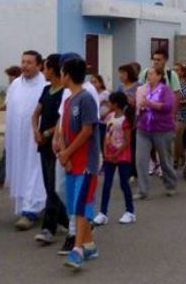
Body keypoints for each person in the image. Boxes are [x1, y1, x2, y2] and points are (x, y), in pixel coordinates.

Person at [56, 58, 100, 270]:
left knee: (82, 205)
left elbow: (87, 131)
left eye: (62, 72)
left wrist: (68, 152)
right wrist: (64, 154)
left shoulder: (86, 99)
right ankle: (90, 245)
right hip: (71, 161)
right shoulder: (67, 101)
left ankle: (78, 250)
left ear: (67, 74)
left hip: (86, 163)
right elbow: (64, 130)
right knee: (75, 206)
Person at [5, 51, 48, 231]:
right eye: (23, 62)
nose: (25, 65)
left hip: (35, 138)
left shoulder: (45, 85)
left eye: (29, 62)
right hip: (17, 138)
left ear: (39, 65)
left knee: (35, 170)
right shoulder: (15, 84)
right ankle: (26, 206)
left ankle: (30, 210)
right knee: (21, 170)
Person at [32, 54, 68, 245]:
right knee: (49, 186)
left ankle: (48, 228)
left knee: (54, 186)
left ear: (53, 69)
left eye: (45, 67)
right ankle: (70, 221)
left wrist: (47, 133)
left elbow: (63, 121)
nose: (42, 71)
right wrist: (36, 130)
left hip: (57, 143)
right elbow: (36, 113)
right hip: (43, 144)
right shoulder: (46, 90)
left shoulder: (65, 93)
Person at [134, 67, 178, 200]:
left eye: (152, 74)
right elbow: (138, 104)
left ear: (159, 76)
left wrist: (150, 104)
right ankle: (143, 190)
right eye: (148, 74)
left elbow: (167, 107)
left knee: (164, 159)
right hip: (144, 128)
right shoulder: (143, 89)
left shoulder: (165, 90)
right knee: (141, 160)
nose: (149, 76)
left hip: (162, 129)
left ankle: (170, 184)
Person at [93, 91, 136, 226]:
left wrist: (117, 153)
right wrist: (105, 152)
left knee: (124, 183)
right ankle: (103, 213)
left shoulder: (125, 120)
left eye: (110, 102)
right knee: (106, 184)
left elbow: (128, 140)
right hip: (110, 154)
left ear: (116, 104)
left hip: (122, 154)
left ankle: (130, 211)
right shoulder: (110, 117)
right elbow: (106, 135)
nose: (108, 105)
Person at [0, 65, 21, 188]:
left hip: (15, 126)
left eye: (11, 76)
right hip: (11, 125)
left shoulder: (15, 88)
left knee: (8, 153)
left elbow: (8, 105)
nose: (9, 79)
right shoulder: (13, 88)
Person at [116, 63, 141, 179]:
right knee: (123, 144)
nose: (121, 75)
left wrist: (132, 101)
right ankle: (126, 169)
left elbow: (141, 101)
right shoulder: (120, 87)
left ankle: (134, 171)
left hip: (135, 120)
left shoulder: (138, 86)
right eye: (120, 73)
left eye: (123, 73)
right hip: (123, 120)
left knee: (133, 145)